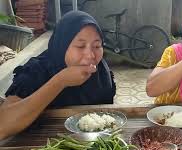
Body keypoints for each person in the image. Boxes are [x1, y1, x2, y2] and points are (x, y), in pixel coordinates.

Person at [0, 11, 116, 140]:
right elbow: (2, 127)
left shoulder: (100, 70)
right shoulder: (36, 71)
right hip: (39, 149)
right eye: (80, 46)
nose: (91, 55)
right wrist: (60, 81)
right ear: (62, 44)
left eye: (97, 46)